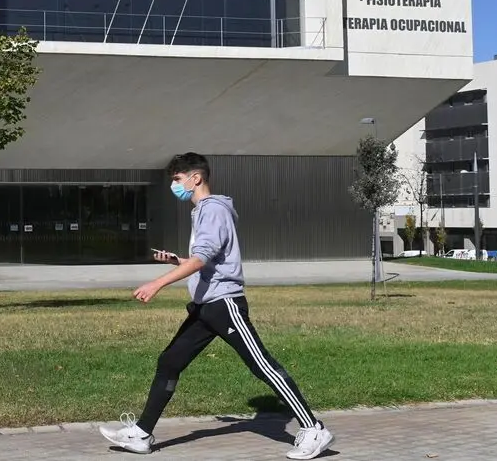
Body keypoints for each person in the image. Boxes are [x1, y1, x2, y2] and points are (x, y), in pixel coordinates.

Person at [99, 153, 334, 459]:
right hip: (205, 307)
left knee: (261, 365)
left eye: (177, 179)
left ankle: (314, 428)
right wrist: (175, 261)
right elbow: (208, 261)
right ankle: (141, 434)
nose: (174, 185)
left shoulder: (212, 210)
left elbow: (202, 260)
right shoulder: (203, 212)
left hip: (224, 303)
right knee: (169, 362)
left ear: (195, 178)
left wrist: (157, 283)